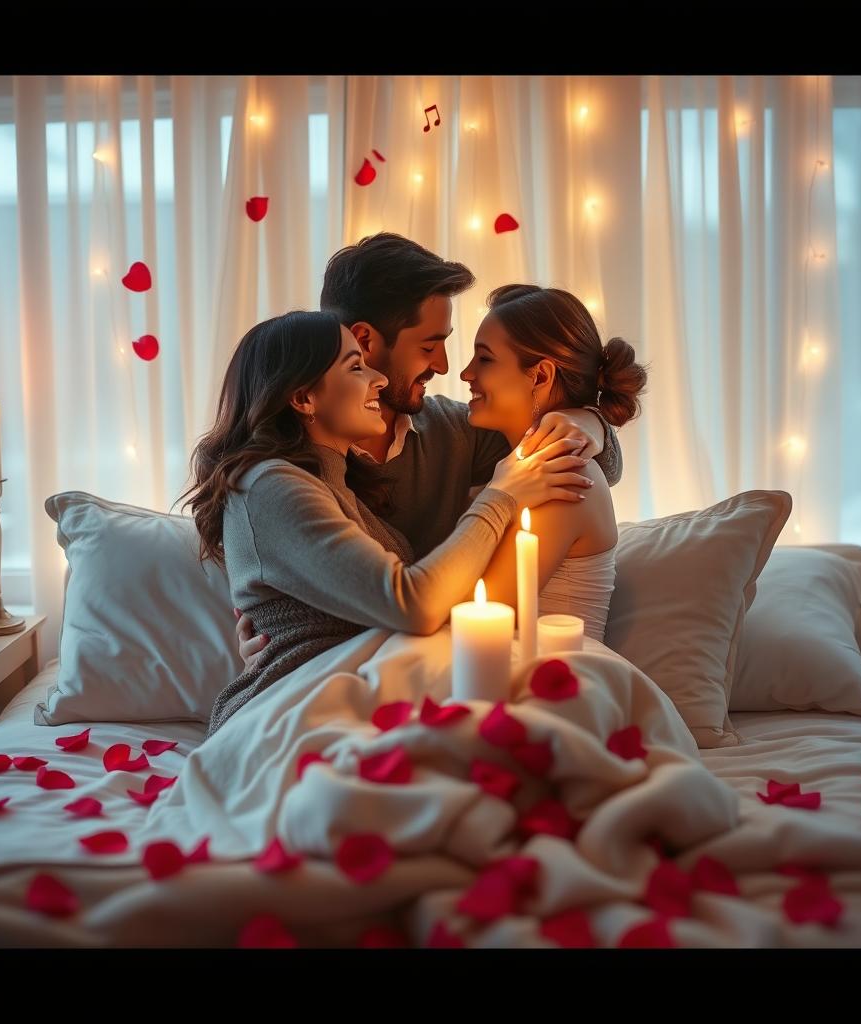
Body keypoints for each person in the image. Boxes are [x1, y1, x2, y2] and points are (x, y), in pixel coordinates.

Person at [180, 311, 595, 738]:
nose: (377, 380)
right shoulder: (269, 485)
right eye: (356, 366)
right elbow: (412, 604)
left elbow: (577, 439)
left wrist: (588, 423)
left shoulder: (335, 481)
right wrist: (501, 497)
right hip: (291, 712)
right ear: (304, 398)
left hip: (342, 699)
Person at [234, 233, 625, 672]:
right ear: (364, 340)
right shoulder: (286, 475)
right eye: (428, 345)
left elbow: (591, 464)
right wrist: (287, 640)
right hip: (364, 669)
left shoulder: (455, 429)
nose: (445, 366)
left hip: (416, 665)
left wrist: (585, 421)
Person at [459, 284, 647, 639]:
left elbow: (481, 621)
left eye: (484, 359)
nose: (466, 373)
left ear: (541, 376)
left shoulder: (560, 473)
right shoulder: (520, 460)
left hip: (546, 678)